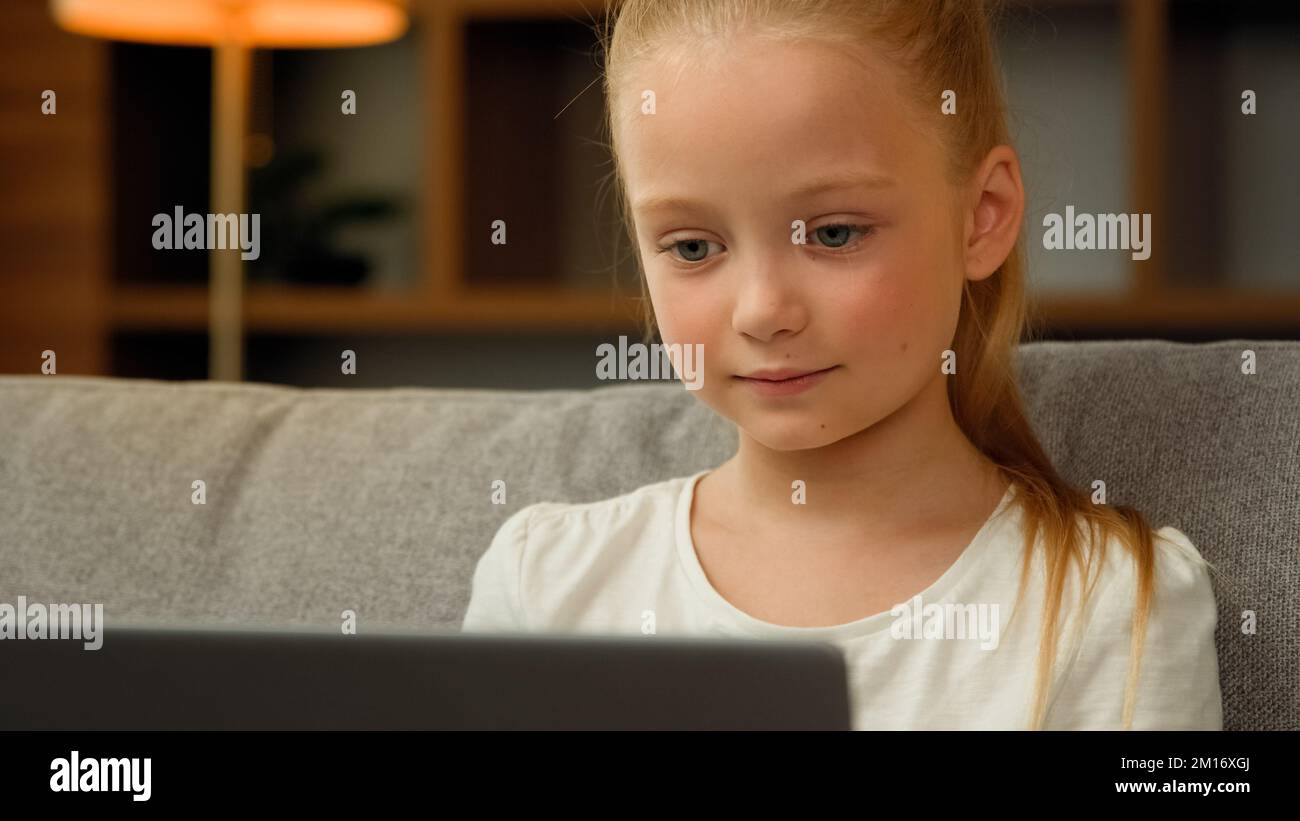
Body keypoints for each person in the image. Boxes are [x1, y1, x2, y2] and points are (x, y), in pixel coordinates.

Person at [462, 0, 1223, 730]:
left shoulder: (1114, 605)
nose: (762, 310)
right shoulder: (545, 584)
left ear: (982, 214)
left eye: (832, 234)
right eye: (693, 246)